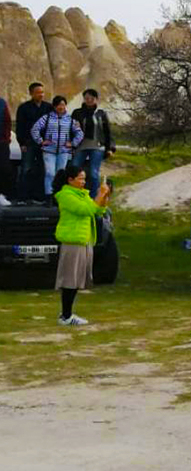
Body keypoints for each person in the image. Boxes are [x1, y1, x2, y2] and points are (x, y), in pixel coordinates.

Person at [52, 163, 111, 326]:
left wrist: (104, 197)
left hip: (84, 240)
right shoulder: (65, 195)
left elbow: (98, 211)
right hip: (73, 241)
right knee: (70, 280)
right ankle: (65, 316)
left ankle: (68, 314)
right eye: (81, 179)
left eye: (84, 178)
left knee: (77, 279)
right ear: (70, 180)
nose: (84, 182)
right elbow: (86, 210)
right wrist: (99, 195)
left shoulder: (82, 194)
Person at [31, 95, 83, 198]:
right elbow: (35, 129)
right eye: (58, 105)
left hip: (63, 151)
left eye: (63, 105)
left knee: (61, 174)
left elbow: (79, 133)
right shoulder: (47, 118)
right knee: (50, 173)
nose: (61, 107)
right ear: (54, 106)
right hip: (49, 150)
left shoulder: (70, 119)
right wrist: (41, 141)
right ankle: (49, 195)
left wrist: (72, 144)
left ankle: (59, 195)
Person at [71, 88, 116, 198]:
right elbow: (71, 129)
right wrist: (71, 144)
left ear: (96, 99)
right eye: (87, 98)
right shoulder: (77, 113)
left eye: (92, 98)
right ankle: (73, 194)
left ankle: (94, 197)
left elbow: (107, 131)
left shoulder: (101, 113)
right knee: (74, 168)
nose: (89, 100)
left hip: (97, 145)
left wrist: (109, 148)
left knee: (93, 172)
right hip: (81, 145)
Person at [15, 82, 51, 200]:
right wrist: (22, 143)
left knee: (43, 169)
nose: (41, 95)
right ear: (31, 93)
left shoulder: (48, 107)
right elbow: (20, 127)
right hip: (29, 143)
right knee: (26, 169)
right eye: (38, 93)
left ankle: (41, 196)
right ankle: (22, 197)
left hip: (44, 144)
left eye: (42, 92)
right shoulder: (24, 108)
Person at [0, 94, 11, 200]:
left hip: (2, 142)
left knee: (4, 168)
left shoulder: (2, 103)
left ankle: (2, 195)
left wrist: (6, 139)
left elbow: (7, 122)